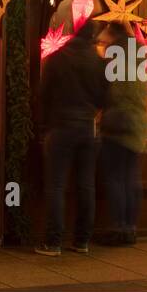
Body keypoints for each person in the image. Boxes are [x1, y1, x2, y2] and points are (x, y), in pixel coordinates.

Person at [37, 20, 110, 256]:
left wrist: (43, 125)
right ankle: (82, 241)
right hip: (88, 128)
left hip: (60, 127)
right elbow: (105, 98)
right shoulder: (98, 62)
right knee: (86, 186)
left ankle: (53, 242)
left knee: (56, 186)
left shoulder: (57, 58)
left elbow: (43, 94)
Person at [96, 25, 147, 245]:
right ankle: (130, 227)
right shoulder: (139, 55)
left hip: (118, 123)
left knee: (116, 178)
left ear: (113, 36)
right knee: (131, 178)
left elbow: (113, 92)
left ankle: (118, 227)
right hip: (138, 124)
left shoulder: (115, 57)